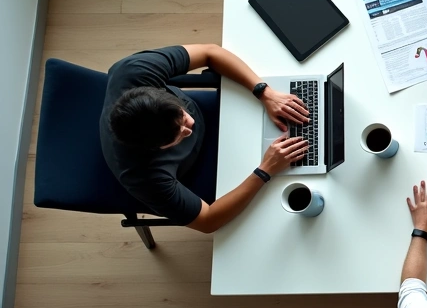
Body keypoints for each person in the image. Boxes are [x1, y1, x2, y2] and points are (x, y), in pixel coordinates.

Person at [100, 45, 310, 233]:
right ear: (156, 147)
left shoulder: (134, 70)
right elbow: (208, 221)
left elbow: (211, 52)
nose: (189, 126)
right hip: (197, 167)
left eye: (181, 116)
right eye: (180, 134)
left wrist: (264, 92)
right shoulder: (144, 176)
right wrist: (265, 170)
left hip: (209, 113)